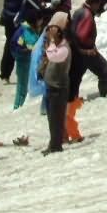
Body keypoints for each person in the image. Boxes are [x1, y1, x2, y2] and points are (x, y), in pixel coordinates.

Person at [67, 0, 107, 99]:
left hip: (76, 49)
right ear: (94, 4)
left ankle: (72, 97)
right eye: (98, 4)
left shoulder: (79, 11)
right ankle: (104, 92)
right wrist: (90, 48)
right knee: (104, 69)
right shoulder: (87, 15)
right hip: (86, 50)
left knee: (76, 76)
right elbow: (82, 35)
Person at [37, 20, 72, 154]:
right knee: (51, 118)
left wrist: (51, 42)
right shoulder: (56, 46)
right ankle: (53, 143)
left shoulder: (64, 48)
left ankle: (56, 145)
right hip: (50, 87)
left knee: (57, 118)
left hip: (59, 87)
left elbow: (53, 57)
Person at [0, 0, 35, 82]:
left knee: (9, 45)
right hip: (19, 21)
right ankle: (25, 75)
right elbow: (30, 3)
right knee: (25, 46)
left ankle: (5, 74)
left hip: (7, 18)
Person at [11, 13, 42, 111]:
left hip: (28, 61)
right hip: (23, 62)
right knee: (22, 86)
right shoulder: (24, 33)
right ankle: (18, 107)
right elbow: (20, 48)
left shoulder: (30, 30)